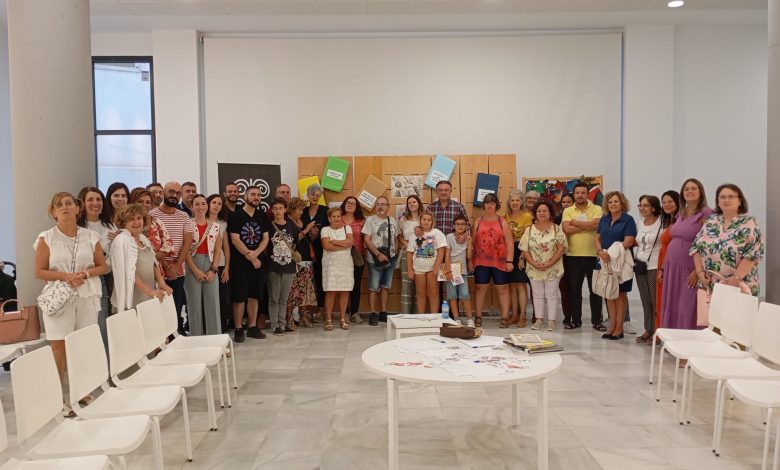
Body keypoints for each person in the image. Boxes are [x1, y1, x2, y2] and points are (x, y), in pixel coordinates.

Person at [34, 192, 106, 385]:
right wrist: (67, 276)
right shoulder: (46, 238)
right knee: (59, 345)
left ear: (77, 208)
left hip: (87, 294)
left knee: (82, 343)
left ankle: (81, 389)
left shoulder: (91, 236)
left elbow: (102, 266)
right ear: (54, 212)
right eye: (59, 205)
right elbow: (39, 271)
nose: (64, 207)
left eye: (68, 203)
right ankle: (57, 394)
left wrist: (85, 274)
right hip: (59, 296)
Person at [691, 184, 764, 296]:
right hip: (710, 284)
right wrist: (700, 273)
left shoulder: (749, 222)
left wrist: (735, 278)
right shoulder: (711, 220)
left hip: (739, 284)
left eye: (731, 196)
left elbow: (752, 254)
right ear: (718, 201)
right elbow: (695, 247)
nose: (726, 200)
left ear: (739, 201)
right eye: (722, 197)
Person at [661, 178, 712, 330]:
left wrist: (698, 271)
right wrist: (663, 267)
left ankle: (689, 339)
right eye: (686, 189)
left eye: (693, 188)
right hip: (672, 267)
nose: (690, 191)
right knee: (674, 303)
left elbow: (710, 244)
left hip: (690, 268)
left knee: (687, 305)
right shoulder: (681, 213)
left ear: (700, 192)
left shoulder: (706, 213)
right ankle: (673, 337)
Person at [149, 182, 194, 335]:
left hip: (178, 269)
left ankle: (176, 335)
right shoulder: (152, 215)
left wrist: (176, 266)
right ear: (163, 192)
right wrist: (165, 264)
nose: (174, 195)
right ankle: (162, 337)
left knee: (176, 305)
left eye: (178, 193)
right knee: (159, 306)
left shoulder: (184, 216)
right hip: (157, 269)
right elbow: (152, 243)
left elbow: (187, 242)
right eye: (171, 192)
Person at [110, 203, 172, 312]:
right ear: (123, 223)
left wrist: (162, 283)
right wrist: (149, 291)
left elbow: (154, 264)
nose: (137, 222)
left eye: (139, 218)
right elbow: (128, 272)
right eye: (131, 219)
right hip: (133, 297)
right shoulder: (121, 240)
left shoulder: (143, 238)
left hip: (149, 295)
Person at [228, 185, 269, 342]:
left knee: (254, 295)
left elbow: (265, 238)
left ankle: (252, 327)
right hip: (240, 262)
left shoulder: (262, 215)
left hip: (258, 261)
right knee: (239, 296)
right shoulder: (236, 215)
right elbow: (235, 239)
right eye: (253, 194)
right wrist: (250, 256)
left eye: (258, 195)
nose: (256, 197)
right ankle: (238, 328)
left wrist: (256, 254)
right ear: (245, 197)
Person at [561, 181, 604, 331]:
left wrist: (575, 222)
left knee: (595, 291)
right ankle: (576, 320)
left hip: (593, 255)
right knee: (574, 291)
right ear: (574, 194)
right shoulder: (568, 211)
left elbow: (597, 225)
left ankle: (597, 321)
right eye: (577, 193)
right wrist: (587, 226)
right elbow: (566, 229)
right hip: (573, 256)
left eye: (583, 193)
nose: (580, 195)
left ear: (587, 194)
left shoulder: (597, 208)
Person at [595, 191, 637, 340]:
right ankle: (612, 327)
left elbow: (629, 241)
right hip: (605, 260)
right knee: (609, 294)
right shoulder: (604, 219)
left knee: (620, 295)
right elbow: (597, 238)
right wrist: (600, 251)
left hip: (621, 261)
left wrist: (611, 253)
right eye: (610, 202)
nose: (613, 204)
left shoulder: (628, 220)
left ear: (622, 203)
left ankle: (619, 329)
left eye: (616, 201)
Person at [76, 186, 115, 347]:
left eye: (98, 199)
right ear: (82, 203)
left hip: (104, 278)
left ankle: (104, 360)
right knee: (83, 325)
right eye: (90, 199)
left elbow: (112, 258)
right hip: (79, 280)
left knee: (102, 321)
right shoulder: (76, 228)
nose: (95, 203)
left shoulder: (110, 227)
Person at [520, 200, 567, 331]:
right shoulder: (529, 230)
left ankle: (551, 321)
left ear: (550, 213)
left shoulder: (557, 229)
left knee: (552, 294)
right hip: (534, 267)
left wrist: (550, 263)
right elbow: (524, 249)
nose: (542, 213)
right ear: (535, 213)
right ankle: (539, 320)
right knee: (537, 294)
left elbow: (561, 248)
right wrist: (533, 263)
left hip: (553, 267)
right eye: (539, 211)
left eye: (545, 211)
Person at [471, 193, 514, 328]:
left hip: (499, 261)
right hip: (481, 261)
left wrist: (509, 261)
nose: (489, 205)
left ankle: (505, 317)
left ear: (496, 205)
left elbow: (510, 243)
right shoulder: (478, 222)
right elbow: (472, 243)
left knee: (502, 288)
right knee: (480, 288)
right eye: (487, 203)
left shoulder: (503, 222)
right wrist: (470, 261)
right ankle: (478, 316)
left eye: (492, 203)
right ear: (483, 205)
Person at [184, 194, 222, 336]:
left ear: (207, 206)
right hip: (192, 264)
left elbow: (218, 250)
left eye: (203, 204)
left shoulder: (215, 226)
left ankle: (215, 338)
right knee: (194, 304)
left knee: (213, 303)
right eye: (197, 204)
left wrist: (214, 269)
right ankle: (196, 337)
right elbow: (185, 250)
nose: (201, 207)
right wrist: (195, 270)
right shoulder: (187, 224)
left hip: (211, 264)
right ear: (191, 207)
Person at [362, 196, 400, 326]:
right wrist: (378, 254)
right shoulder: (370, 220)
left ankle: (383, 312)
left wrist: (394, 253)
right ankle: (373, 313)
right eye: (378, 204)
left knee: (385, 287)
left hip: (390, 258)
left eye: (383, 204)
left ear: (388, 207)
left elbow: (396, 239)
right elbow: (366, 239)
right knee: (373, 288)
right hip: (375, 259)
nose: (380, 206)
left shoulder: (393, 220)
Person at [266, 198, 301, 335]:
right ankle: (275, 325)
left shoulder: (292, 226)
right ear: (272, 210)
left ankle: (283, 323)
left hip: (288, 266)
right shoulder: (269, 226)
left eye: (280, 208)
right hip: (273, 266)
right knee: (274, 297)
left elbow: (295, 244)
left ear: (285, 210)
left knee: (284, 298)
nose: (278, 211)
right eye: (275, 209)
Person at [634, 195, 663, 343]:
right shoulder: (639, 223)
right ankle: (648, 329)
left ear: (654, 207)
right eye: (641, 205)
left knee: (655, 300)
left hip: (654, 265)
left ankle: (657, 331)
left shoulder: (661, 223)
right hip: (640, 265)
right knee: (645, 299)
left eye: (646, 205)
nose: (642, 208)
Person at [407, 211, 447, 314]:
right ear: (420, 220)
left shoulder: (437, 233)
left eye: (429, 220)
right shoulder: (414, 235)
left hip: (432, 268)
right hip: (418, 269)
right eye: (424, 219)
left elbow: (441, 250)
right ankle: (421, 316)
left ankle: (434, 316)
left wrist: (437, 266)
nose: (426, 222)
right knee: (420, 293)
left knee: (433, 293)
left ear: (432, 221)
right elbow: (410, 253)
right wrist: (410, 269)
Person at [286, 197, 317, 329]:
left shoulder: (302, 219)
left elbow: (307, 239)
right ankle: (289, 318)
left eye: (302, 210)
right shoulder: (287, 221)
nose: (301, 212)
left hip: (305, 258)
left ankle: (303, 316)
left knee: (305, 289)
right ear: (292, 209)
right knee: (293, 291)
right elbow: (293, 239)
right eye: (299, 210)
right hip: (293, 260)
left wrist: (312, 233)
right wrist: (307, 229)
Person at [320, 207, 354, 331]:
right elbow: (327, 246)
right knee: (330, 291)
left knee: (345, 291)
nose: (336, 218)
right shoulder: (325, 230)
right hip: (331, 265)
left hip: (346, 264)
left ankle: (342, 319)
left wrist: (334, 241)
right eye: (333, 216)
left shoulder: (347, 228)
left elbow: (350, 242)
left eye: (338, 216)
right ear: (329, 218)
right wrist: (343, 245)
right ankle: (328, 320)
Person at [504, 190, 532, 327]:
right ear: (509, 202)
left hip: (522, 250)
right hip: (509, 251)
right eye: (512, 200)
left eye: (517, 200)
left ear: (522, 202)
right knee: (512, 285)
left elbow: (527, 238)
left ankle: (522, 316)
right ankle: (514, 315)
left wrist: (522, 257)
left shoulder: (527, 216)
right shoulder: (505, 216)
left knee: (521, 285)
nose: (515, 203)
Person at [301, 184, 330, 319]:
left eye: (318, 195)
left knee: (320, 279)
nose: (315, 197)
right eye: (312, 194)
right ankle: (306, 312)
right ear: (307, 194)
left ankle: (321, 309)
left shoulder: (325, 210)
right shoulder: (302, 211)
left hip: (322, 250)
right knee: (306, 281)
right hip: (304, 250)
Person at [207, 194, 233, 333]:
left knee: (223, 298)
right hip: (205, 263)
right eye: (214, 202)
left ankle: (222, 327)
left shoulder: (223, 224)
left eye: (219, 204)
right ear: (208, 204)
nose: (216, 205)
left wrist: (227, 268)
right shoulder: (201, 220)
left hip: (221, 264)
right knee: (209, 298)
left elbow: (226, 247)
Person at [131, 187, 174, 271]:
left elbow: (168, 249)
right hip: (133, 270)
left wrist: (145, 256)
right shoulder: (125, 224)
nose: (144, 205)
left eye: (148, 202)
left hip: (156, 271)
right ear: (132, 202)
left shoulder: (157, 223)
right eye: (140, 201)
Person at [655, 190, 680, 333]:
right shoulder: (669, 220)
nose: (667, 204)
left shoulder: (680, 220)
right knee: (662, 298)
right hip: (663, 260)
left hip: (670, 262)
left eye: (670, 201)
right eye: (664, 202)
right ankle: (662, 330)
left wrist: (663, 268)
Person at [444, 215, 474, 326]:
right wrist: (448, 271)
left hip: (462, 271)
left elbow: (469, 256)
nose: (460, 226)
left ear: (466, 226)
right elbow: (447, 255)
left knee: (465, 294)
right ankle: (456, 319)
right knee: (452, 295)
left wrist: (469, 242)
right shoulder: (449, 237)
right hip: (451, 270)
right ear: (453, 226)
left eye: (463, 224)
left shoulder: (467, 237)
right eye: (458, 224)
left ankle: (470, 319)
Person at [341, 196, 365, 325]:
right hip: (341, 257)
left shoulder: (361, 221)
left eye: (353, 203)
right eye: (348, 202)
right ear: (344, 204)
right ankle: (345, 313)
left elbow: (365, 239)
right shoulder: (338, 219)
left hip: (358, 257)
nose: (350, 205)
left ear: (357, 207)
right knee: (344, 285)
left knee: (356, 286)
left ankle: (354, 313)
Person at [398, 195, 423, 315]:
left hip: (421, 253)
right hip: (406, 252)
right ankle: (406, 314)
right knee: (407, 283)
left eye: (414, 202)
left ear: (418, 203)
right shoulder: (403, 219)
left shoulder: (423, 218)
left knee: (419, 283)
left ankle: (418, 314)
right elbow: (400, 236)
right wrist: (406, 244)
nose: (412, 204)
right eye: (409, 203)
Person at [556, 193, 574, 327]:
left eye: (569, 202)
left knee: (575, 287)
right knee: (564, 287)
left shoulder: (577, 217)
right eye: (564, 202)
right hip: (561, 257)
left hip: (576, 255)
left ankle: (576, 315)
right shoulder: (556, 219)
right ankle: (567, 315)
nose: (566, 204)